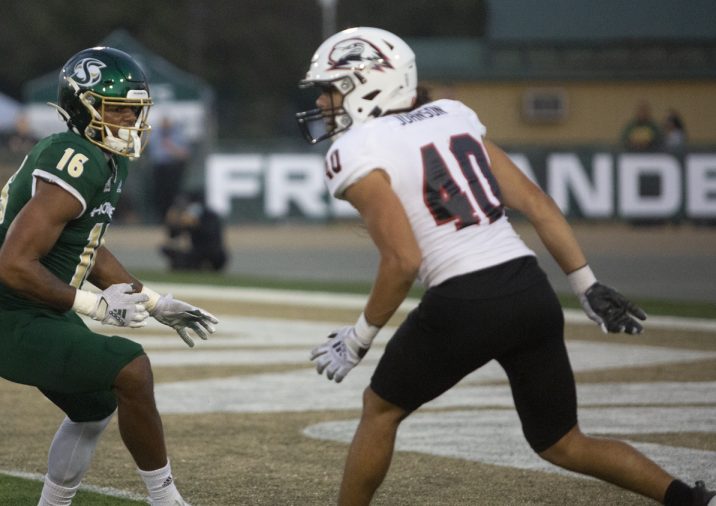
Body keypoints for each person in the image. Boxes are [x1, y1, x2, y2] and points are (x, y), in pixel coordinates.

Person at [296, 27, 716, 506]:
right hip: (529, 290)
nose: (326, 104)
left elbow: (402, 260)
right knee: (563, 442)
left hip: (464, 299)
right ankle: (692, 502)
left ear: (367, 84)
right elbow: (537, 203)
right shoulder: (452, 116)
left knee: (380, 409)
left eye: (332, 90)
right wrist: (586, 284)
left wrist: (358, 338)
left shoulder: (356, 149)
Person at [0, 47, 218, 506]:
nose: (130, 119)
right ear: (80, 107)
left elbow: (89, 249)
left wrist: (155, 302)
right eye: (118, 108)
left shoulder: (106, 156)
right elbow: (11, 266)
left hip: (41, 311)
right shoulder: (75, 157)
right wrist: (93, 305)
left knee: (94, 407)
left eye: (135, 109)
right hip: (12, 316)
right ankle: (166, 501)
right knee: (132, 369)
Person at [160, 191, 228, 272]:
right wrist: (173, 224)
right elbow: (173, 235)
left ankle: (204, 266)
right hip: (196, 253)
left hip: (213, 254)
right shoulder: (188, 217)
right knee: (169, 252)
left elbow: (209, 233)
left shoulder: (210, 216)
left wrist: (196, 224)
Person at [147, 116, 191, 223]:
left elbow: (185, 153)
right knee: (159, 194)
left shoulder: (178, 134)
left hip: (173, 168)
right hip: (159, 168)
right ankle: (160, 218)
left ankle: (174, 218)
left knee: (174, 194)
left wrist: (172, 149)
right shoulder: (154, 134)